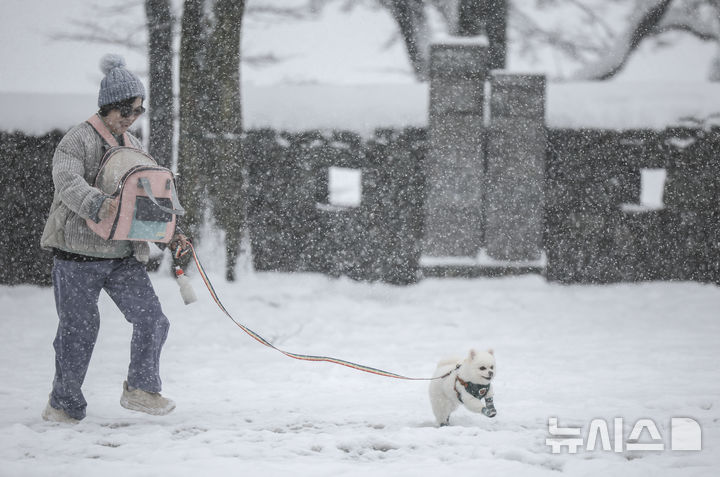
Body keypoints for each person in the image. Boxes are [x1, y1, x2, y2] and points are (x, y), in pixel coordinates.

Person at [40, 54, 187, 423]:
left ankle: (140, 388)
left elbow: (151, 194)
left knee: (153, 319)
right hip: (76, 257)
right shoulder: (77, 140)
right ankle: (64, 404)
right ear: (106, 106)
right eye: (125, 109)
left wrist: (171, 233)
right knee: (78, 332)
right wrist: (97, 204)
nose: (131, 116)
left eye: (138, 110)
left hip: (122, 255)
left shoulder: (133, 144)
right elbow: (67, 181)